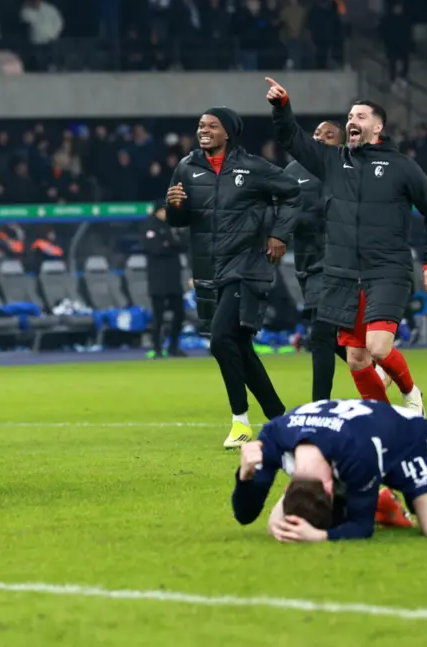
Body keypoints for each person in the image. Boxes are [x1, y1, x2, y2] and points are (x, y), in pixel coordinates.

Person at [266, 77, 427, 415]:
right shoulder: (333, 161)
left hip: (386, 270)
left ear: (378, 127)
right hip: (343, 274)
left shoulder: (402, 166)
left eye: (361, 116)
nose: (352, 120)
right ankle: (383, 419)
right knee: (355, 358)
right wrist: (282, 108)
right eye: (350, 116)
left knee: (378, 347)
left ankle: (411, 393)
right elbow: (293, 138)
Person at [166, 106, 300, 448]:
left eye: (212, 125)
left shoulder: (253, 167)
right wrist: (175, 207)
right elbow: (179, 221)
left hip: (246, 266)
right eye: (200, 125)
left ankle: (240, 421)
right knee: (239, 346)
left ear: (228, 132)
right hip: (209, 270)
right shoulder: (186, 167)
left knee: (220, 341)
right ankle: (280, 419)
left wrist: (279, 234)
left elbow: (293, 193)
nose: (204, 130)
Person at [233, 399, 427, 542]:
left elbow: (362, 527)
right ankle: (379, 502)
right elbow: (245, 516)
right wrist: (245, 476)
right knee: (278, 526)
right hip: (354, 443)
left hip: (406, 440)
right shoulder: (272, 438)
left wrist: (321, 536)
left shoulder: (357, 454)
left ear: (331, 487)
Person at [284, 120, 393, 400]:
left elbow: (332, 212)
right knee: (331, 338)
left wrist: (297, 218)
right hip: (306, 265)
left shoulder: (344, 170)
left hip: (338, 262)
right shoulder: (292, 171)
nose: (320, 137)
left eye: (329, 135)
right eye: (317, 132)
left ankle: (320, 406)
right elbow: (280, 208)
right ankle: (382, 367)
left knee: (320, 333)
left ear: (341, 144)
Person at [142, 202, 187, 359]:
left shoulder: (172, 225)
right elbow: (155, 248)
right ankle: (157, 348)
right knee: (158, 316)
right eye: (162, 211)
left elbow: (184, 244)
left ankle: (174, 347)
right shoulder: (150, 225)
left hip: (174, 278)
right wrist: (171, 244)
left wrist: (169, 244)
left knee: (179, 313)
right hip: (158, 279)